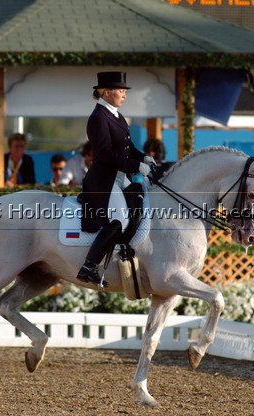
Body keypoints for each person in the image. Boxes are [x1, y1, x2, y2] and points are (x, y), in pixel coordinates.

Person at [76, 71, 155, 287]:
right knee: (121, 219)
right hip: (104, 180)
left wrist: (144, 157)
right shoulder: (98, 118)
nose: (124, 95)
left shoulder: (116, 115)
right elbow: (107, 156)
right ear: (107, 92)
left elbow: (127, 148)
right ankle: (88, 266)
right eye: (121, 91)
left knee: (142, 203)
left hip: (121, 177)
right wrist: (137, 166)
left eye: (124, 91)